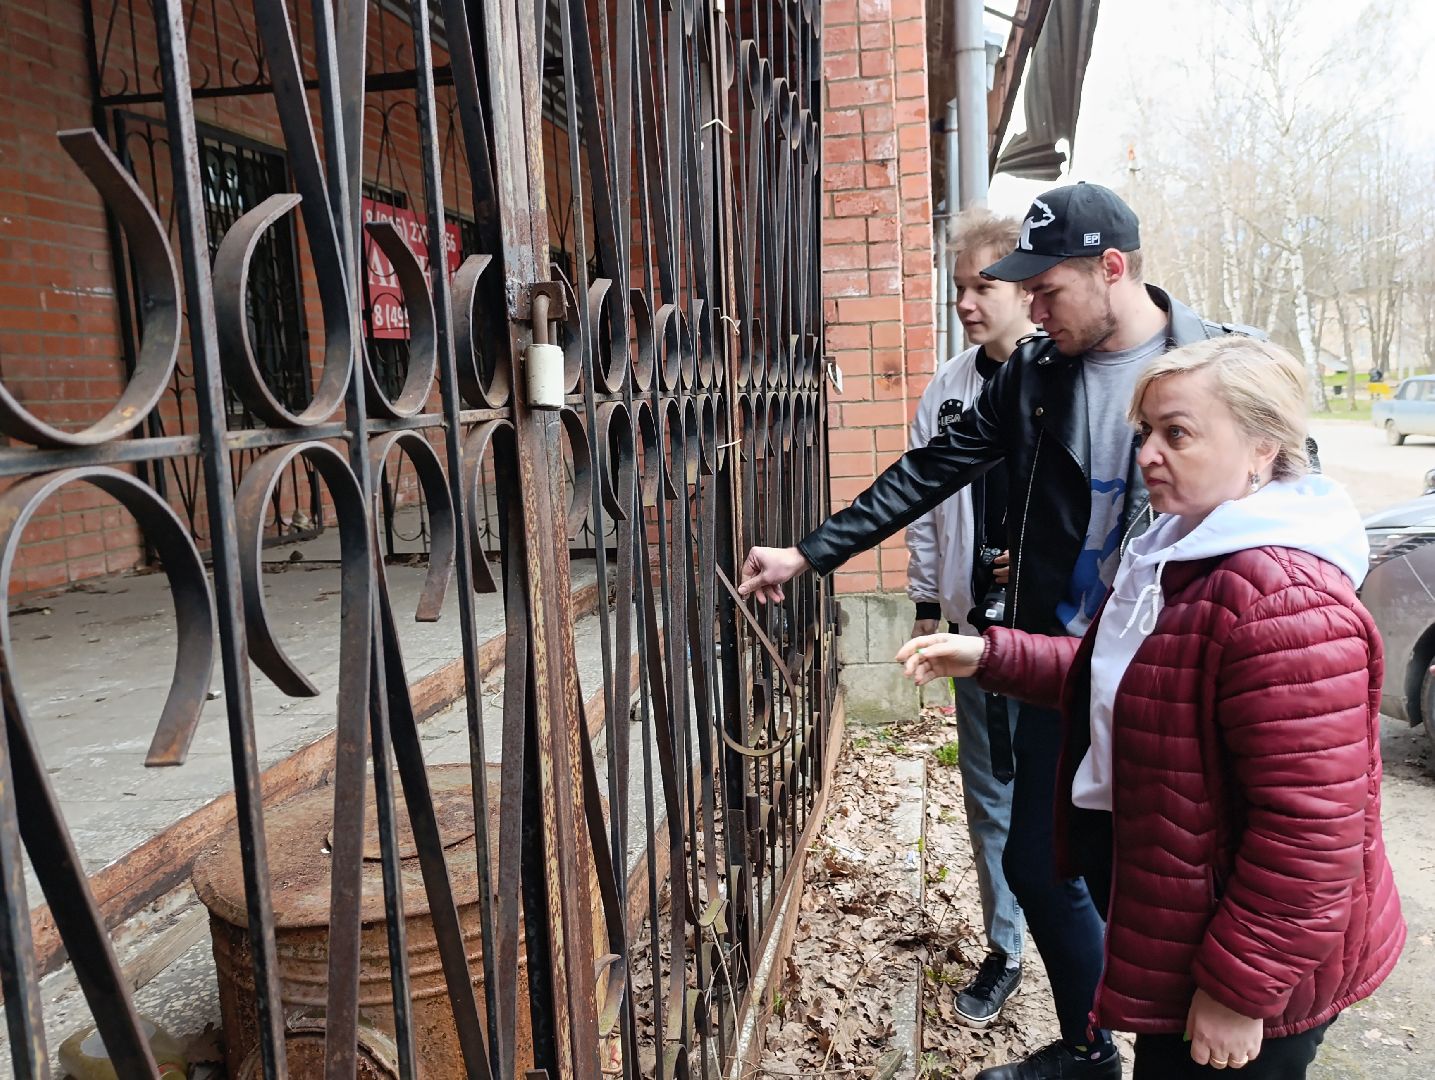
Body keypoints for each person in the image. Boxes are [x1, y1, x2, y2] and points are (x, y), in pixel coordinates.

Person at [740, 182, 1266, 1080]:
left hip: (1176, 680)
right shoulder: (1033, 373)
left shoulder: (1222, 371)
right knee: (1038, 862)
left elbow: (1294, 517)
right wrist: (810, 552)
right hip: (1066, 668)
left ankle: (1182, 1047)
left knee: (1166, 884)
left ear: (1111, 269)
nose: (1031, 307)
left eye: (1046, 289)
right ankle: (1091, 1042)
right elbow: (934, 466)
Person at [897, 336, 1405, 1079]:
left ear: (1262, 450)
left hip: (1256, 969)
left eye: (1176, 433)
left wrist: (1238, 992)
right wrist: (993, 655)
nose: (1146, 454)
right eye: (1143, 432)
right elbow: (1144, 679)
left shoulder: (1283, 602)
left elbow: (1309, 835)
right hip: (1191, 929)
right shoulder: (1184, 547)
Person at [907, 208, 1033, 1027]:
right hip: (972, 635)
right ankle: (1008, 949)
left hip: (1058, 637)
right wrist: (927, 603)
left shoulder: (1069, 383)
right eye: (958, 287)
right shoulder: (948, 389)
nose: (964, 301)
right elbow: (918, 500)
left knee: (1077, 796)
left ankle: (1092, 942)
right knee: (989, 796)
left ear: (1027, 290)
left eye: (982, 285)